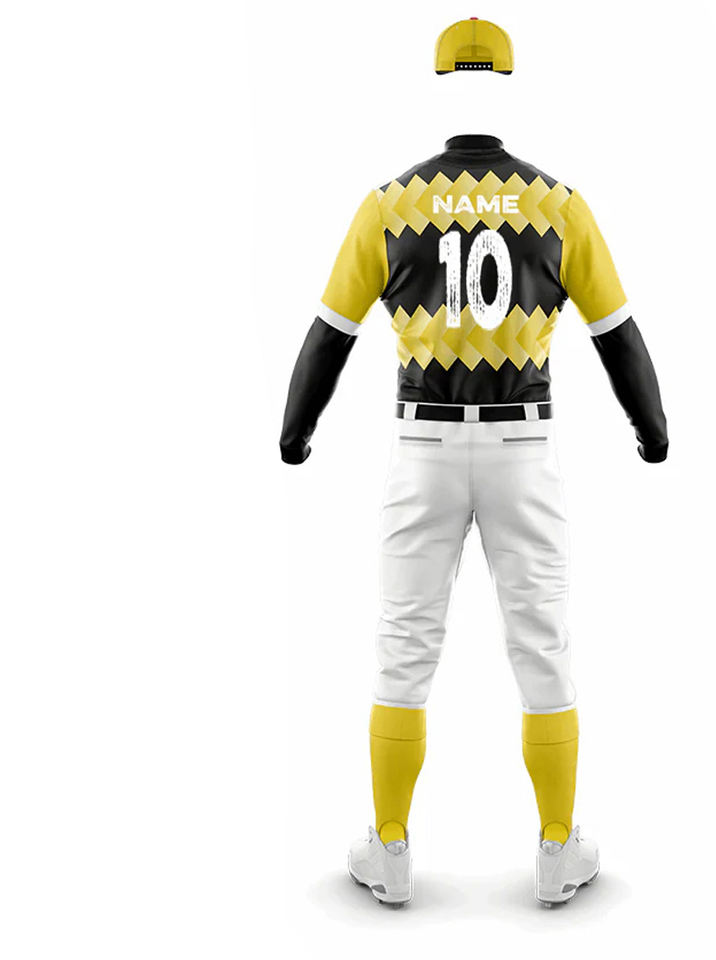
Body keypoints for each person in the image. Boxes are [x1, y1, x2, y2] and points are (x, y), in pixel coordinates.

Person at [280, 19, 667, 907]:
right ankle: (559, 847)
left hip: (421, 442)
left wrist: (296, 432)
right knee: (543, 642)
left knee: (404, 643)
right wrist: (652, 430)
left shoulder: (389, 206)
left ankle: (388, 847)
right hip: (523, 444)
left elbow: (330, 334)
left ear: (438, 88)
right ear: (510, 89)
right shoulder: (558, 205)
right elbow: (617, 334)